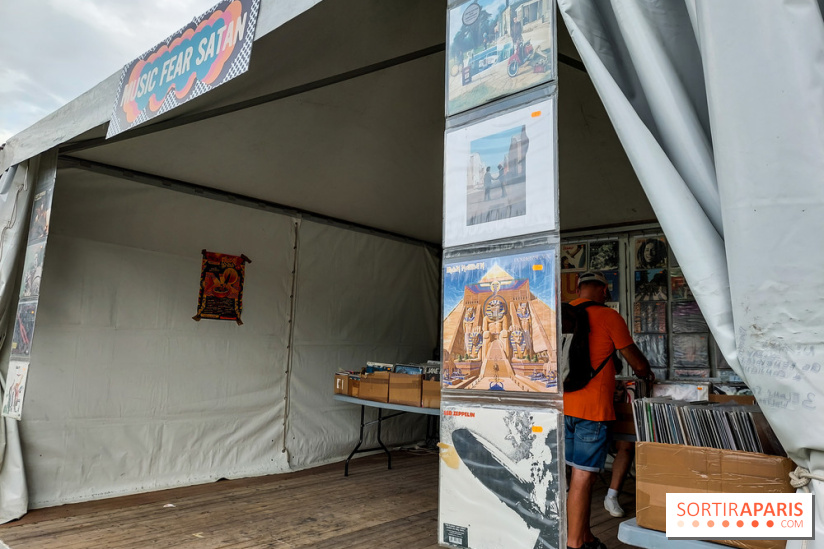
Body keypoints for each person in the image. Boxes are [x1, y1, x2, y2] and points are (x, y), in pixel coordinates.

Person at [564, 271, 654, 549]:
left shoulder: (562, 314)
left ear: (579, 290)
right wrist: (646, 373)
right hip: (593, 411)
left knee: (569, 476)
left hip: (561, 406)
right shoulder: (609, 316)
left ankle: (584, 534)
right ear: (604, 290)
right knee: (583, 477)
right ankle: (575, 543)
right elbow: (635, 361)